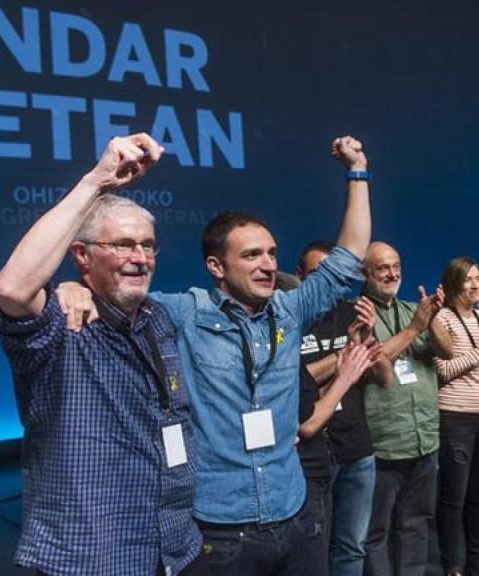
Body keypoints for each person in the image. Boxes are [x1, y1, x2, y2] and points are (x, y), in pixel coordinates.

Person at [148, 135, 372, 575]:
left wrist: (358, 171)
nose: (268, 264)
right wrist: (76, 288)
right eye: (251, 255)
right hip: (221, 530)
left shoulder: (289, 310)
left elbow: (349, 257)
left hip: (294, 515)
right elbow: (121, 297)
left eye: (271, 253)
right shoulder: (185, 313)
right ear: (216, 267)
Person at [0, 134, 202, 575]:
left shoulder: (158, 318)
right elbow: (14, 289)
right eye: (124, 245)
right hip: (93, 555)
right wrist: (95, 182)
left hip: (172, 547)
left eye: (148, 245)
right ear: (82, 257)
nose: (140, 257)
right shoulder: (63, 324)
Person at [361, 241, 452, 576]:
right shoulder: (357, 313)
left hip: (424, 438)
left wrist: (434, 318)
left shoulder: (414, 308)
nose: (392, 273)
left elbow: (448, 351)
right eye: (383, 267)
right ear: (364, 272)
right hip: (384, 442)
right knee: (376, 530)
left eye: (396, 266)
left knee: (415, 523)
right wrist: (415, 327)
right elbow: (375, 360)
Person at [296, 242, 382, 576]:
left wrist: (370, 341)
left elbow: (380, 374)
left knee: (351, 547)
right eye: (318, 275)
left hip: (356, 449)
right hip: (311, 452)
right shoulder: (291, 322)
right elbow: (297, 382)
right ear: (301, 276)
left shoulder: (352, 314)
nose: (327, 284)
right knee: (312, 548)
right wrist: (343, 357)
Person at [432, 257, 479, 576]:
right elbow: (444, 370)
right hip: (455, 416)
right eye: (468, 280)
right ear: (452, 284)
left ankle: (477, 559)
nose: (475, 285)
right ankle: (453, 565)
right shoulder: (442, 319)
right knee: (454, 497)